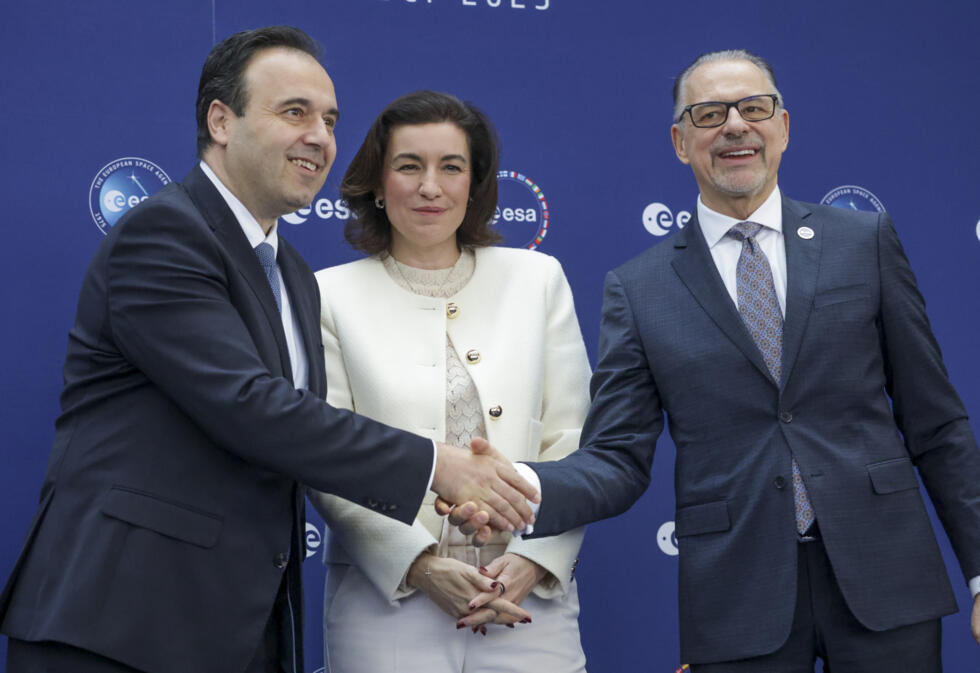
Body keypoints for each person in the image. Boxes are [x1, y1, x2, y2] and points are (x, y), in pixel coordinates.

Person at [0, 27, 537, 673]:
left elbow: (301, 440)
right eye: (294, 112)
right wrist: (437, 466)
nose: (320, 136)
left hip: (237, 632)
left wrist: (450, 508)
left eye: (330, 119)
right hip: (118, 627)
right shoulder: (165, 233)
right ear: (221, 121)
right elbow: (250, 406)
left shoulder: (294, 275)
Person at [466, 50, 980, 672]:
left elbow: (937, 423)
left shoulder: (863, 242)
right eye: (710, 113)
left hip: (887, 577)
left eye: (754, 108)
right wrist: (524, 484)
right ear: (681, 142)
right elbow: (618, 456)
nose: (735, 125)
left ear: (783, 128)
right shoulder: (640, 287)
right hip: (738, 596)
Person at [308, 90, 591, 672]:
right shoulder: (327, 295)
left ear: (476, 185)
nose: (430, 187)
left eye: (451, 168)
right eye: (409, 166)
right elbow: (326, 458)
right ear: (378, 186)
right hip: (387, 601)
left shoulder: (537, 280)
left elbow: (575, 442)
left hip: (525, 600)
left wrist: (532, 560)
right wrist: (418, 564)